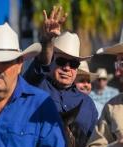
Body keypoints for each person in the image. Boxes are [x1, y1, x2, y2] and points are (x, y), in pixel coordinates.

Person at [24, 6, 98, 138]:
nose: (67, 68)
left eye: (74, 64)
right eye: (62, 61)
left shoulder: (88, 104)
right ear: (52, 60)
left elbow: (93, 144)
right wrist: (47, 40)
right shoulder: (36, 85)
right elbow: (40, 65)